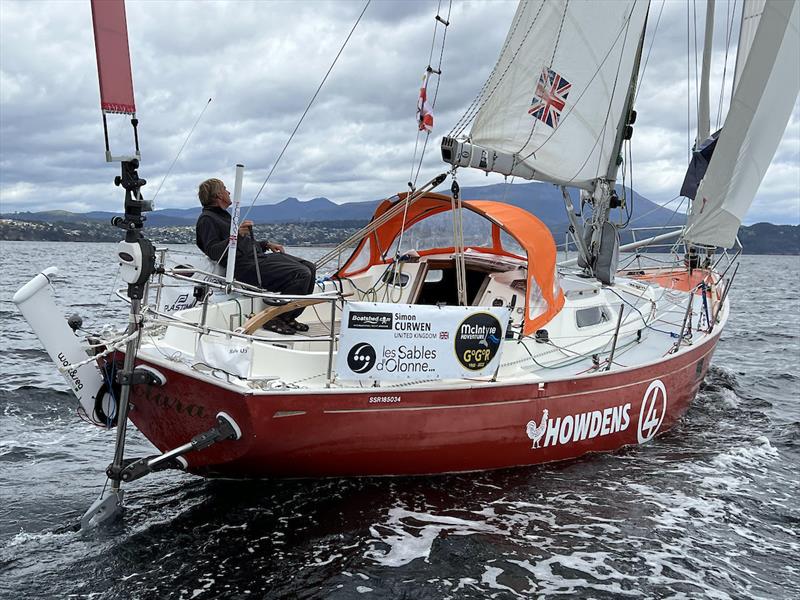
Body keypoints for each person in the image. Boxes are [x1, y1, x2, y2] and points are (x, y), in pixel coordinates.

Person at [195, 178, 316, 335]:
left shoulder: (224, 217)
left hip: (258, 259)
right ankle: (276, 317)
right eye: (225, 189)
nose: (229, 192)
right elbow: (214, 251)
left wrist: (265, 245)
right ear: (218, 195)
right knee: (301, 273)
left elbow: (242, 243)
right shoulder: (207, 219)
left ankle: (288, 316)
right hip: (245, 267)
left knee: (310, 268)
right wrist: (236, 235)